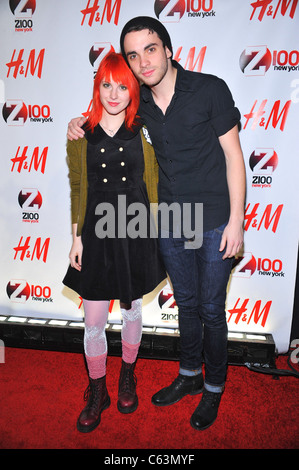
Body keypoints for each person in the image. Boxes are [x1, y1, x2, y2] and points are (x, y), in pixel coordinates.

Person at [67, 17, 246, 431]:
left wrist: (237, 221)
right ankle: (189, 376)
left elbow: (235, 157)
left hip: (216, 220)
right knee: (185, 305)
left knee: (211, 310)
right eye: (134, 55)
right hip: (168, 220)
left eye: (150, 49)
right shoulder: (140, 105)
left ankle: (214, 387)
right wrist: (76, 124)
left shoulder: (210, 89)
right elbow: (103, 120)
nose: (144, 61)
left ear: (167, 48)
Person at [63, 51, 165, 433]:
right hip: (95, 235)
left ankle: (127, 376)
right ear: (97, 85)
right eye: (107, 84)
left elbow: (153, 185)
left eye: (123, 85)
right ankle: (97, 391)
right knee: (93, 320)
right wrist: (76, 239)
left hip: (136, 232)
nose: (114, 93)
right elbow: (77, 188)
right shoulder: (80, 133)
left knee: (132, 308)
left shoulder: (144, 130)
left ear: (133, 88)